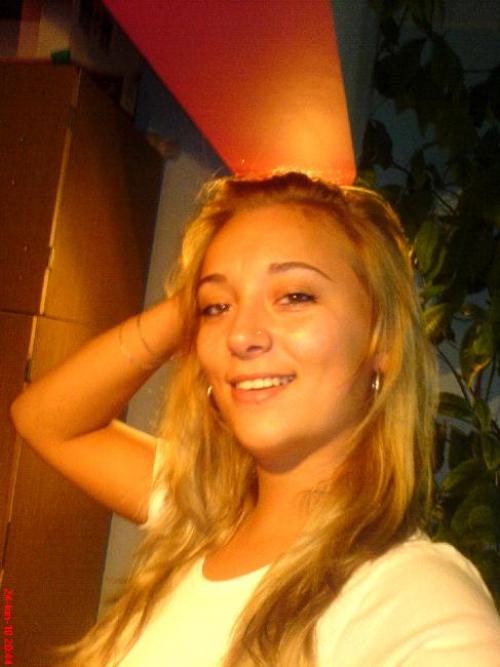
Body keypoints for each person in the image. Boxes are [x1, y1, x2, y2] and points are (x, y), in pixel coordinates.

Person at [10, 172, 500, 666]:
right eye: (217, 308)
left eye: (295, 296)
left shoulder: (413, 598)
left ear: (383, 341)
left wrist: (221, 296)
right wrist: (193, 303)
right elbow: (44, 419)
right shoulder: (203, 519)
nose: (241, 335)